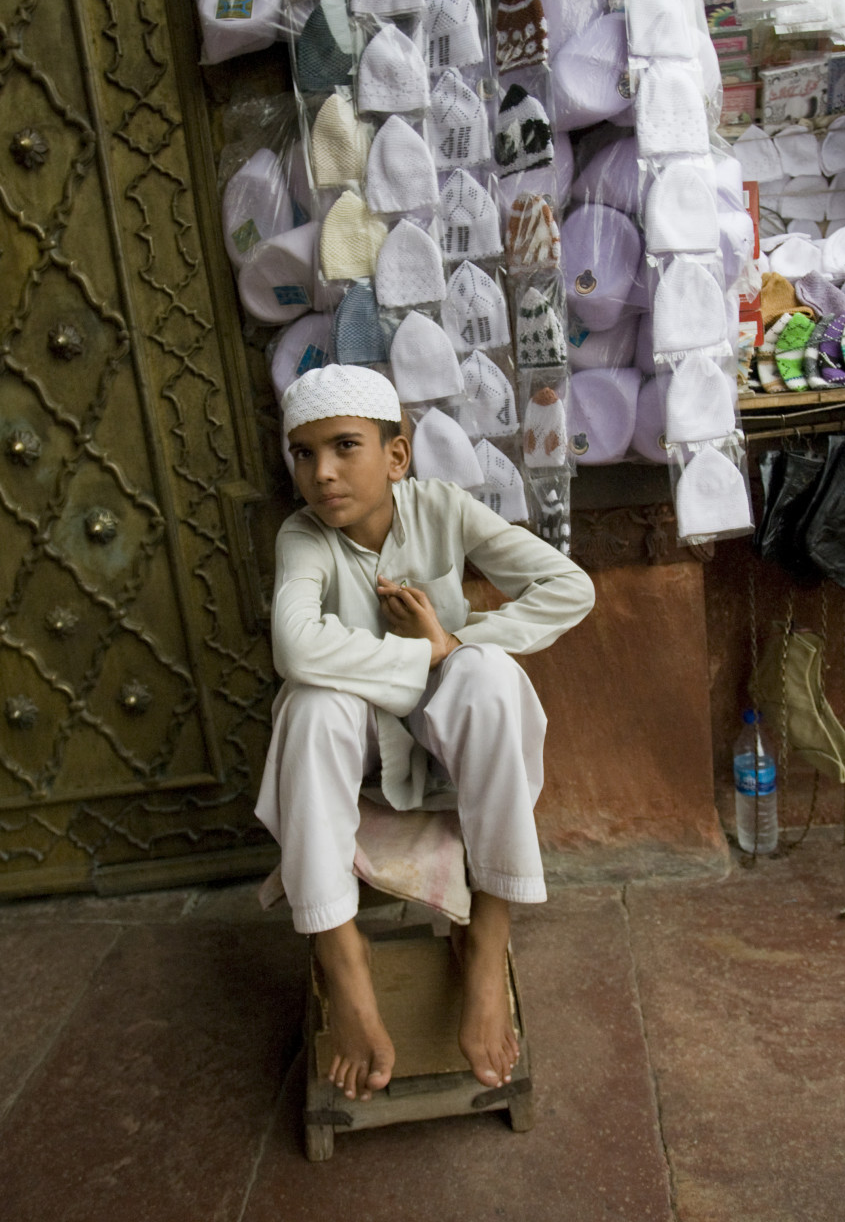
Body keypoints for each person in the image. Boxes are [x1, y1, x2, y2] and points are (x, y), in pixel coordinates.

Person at [255, 363, 595, 1103]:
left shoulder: (445, 509)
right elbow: (297, 650)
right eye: (304, 454)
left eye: (345, 447)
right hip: (355, 751)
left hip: (445, 744)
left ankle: (487, 943)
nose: (323, 473)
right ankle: (343, 965)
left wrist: (462, 645)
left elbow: (571, 587)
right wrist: (424, 651)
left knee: (491, 677)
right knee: (313, 701)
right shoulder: (303, 537)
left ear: (396, 456)